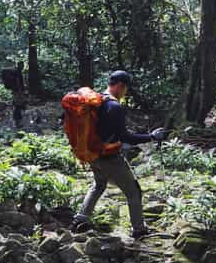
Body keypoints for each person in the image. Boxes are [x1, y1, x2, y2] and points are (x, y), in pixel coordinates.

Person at [71, 71, 168, 239]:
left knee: (99, 186)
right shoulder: (114, 107)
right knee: (133, 191)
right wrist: (151, 137)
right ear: (121, 86)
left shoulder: (99, 102)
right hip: (109, 158)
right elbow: (125, 137)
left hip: (92, 154)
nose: (125, 93)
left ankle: (80, 220)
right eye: (125, 89)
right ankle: (139, 230)